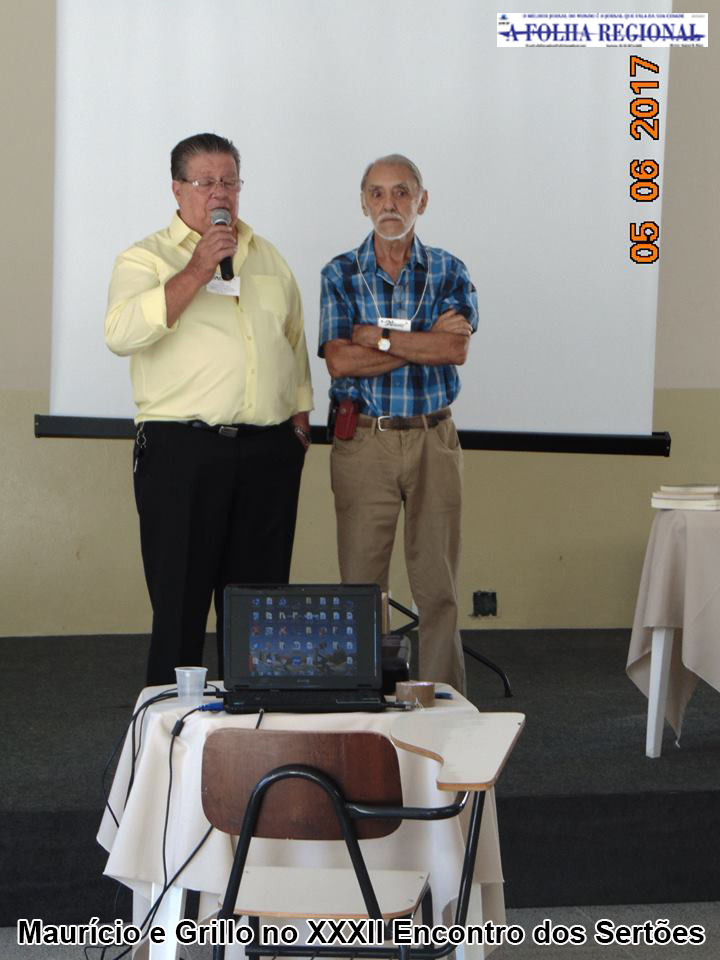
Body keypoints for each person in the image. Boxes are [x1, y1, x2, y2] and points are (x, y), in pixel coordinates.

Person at [105, 133, 313, 685]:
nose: (220, 193)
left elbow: (293, 341)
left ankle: (255, 723)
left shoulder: (267, 256)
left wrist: (298, 420)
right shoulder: (145, 257)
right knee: (180, 606)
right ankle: (170, 730)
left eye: (229, 182)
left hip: (267, 453)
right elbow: (120, 333)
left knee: (261, 610)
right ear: (177, 189)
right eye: (206, 182)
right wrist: (198, 268)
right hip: (183, 452)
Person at [319, 154, 477, 693]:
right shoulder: (340, 273)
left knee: (439, 587)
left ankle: (444, 707)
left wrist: (380, 339)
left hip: (434, 438)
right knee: (362, 587)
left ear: (422, 201)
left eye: (402, 192)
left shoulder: (450, 270)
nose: (390, 204)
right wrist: (421, 342)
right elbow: (339, 361)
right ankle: (365, 702)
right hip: (366, 441)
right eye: (378, 193)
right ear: (363, 203)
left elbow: (454, 350)